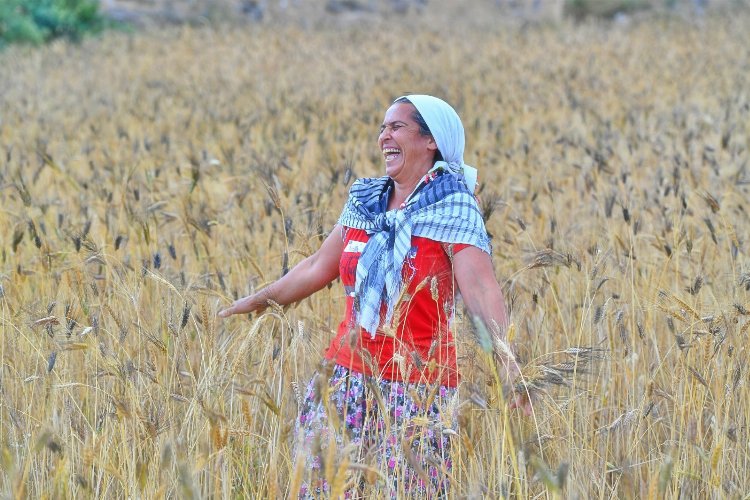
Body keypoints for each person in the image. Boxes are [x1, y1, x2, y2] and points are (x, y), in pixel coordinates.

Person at [219, 95, 530, 497]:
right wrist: (260, 300)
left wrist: (508, 367)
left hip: (418, 393)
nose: (384, 136)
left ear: (430, 140)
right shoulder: (365, 203)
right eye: (383, 128)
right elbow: (317, 266)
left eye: (396, 127)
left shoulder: (455, 210)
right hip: (342, 381)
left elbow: (482, 295)